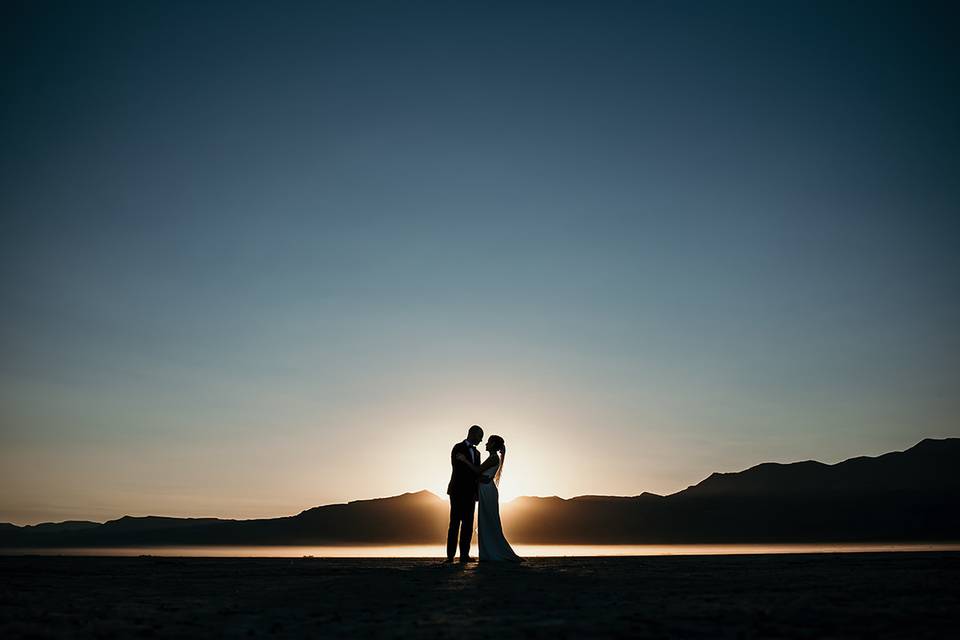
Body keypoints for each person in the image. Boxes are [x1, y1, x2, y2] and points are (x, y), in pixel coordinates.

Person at [455, 434, 523, 562]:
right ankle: (489, 552)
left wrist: (464, 460)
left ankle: (492, 552)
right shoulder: (492, 458)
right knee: (487, 520)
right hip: (485, 489)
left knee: (489, 520)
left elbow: (477, 470)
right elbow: (481, 474)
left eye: (488, 442)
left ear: (492, 445)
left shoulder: (493, 458)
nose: (485, 444)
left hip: (487, 491)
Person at [446, 425, 485, 563]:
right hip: (457, 491)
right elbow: (458, 468)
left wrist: (476, 492)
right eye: (480, 437)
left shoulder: (478, 453)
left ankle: (464, 555)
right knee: (455, 523)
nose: (481, 440)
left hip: (471, 494)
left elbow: (477, 473)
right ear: (472, 434)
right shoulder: (458, 447)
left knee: (468, 525)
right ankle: (450, 556)